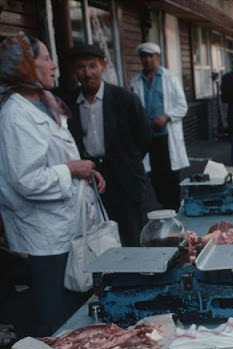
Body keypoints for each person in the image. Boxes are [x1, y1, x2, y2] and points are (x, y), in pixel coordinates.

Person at [0, 33, 106, 336]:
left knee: (80, 306)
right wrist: (72, 170)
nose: (53, 65)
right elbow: (27, 180)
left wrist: (84, 171)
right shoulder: (15, 114)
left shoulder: (46, 103)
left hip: (71, 226)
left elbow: (58, 157)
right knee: (58, 317)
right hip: (47, 236)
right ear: (22, 66)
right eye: (45, 58)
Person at [64, 43, 151, 246]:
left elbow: (144, 137)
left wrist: (128, 160)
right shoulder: (68, 102)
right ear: (74, 70)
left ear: (103, 65)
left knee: (132, 234)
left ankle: (138, 275)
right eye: (81, 67)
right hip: (90, 175)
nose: (87, 73)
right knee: (96, 236)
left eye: (92, 66)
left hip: (124, 176)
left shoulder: (125, 99)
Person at [130, 42, 188, 211]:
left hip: (166, 135)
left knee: (170, 174)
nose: (147, 60)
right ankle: (164, 206)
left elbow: (182, 106)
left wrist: (166, 116)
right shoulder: (135, 81)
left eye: (151, 56)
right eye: (143, 57)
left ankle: (174, 208)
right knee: (154, 176)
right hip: (147, 135)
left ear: (158, 57)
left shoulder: (170, 78)